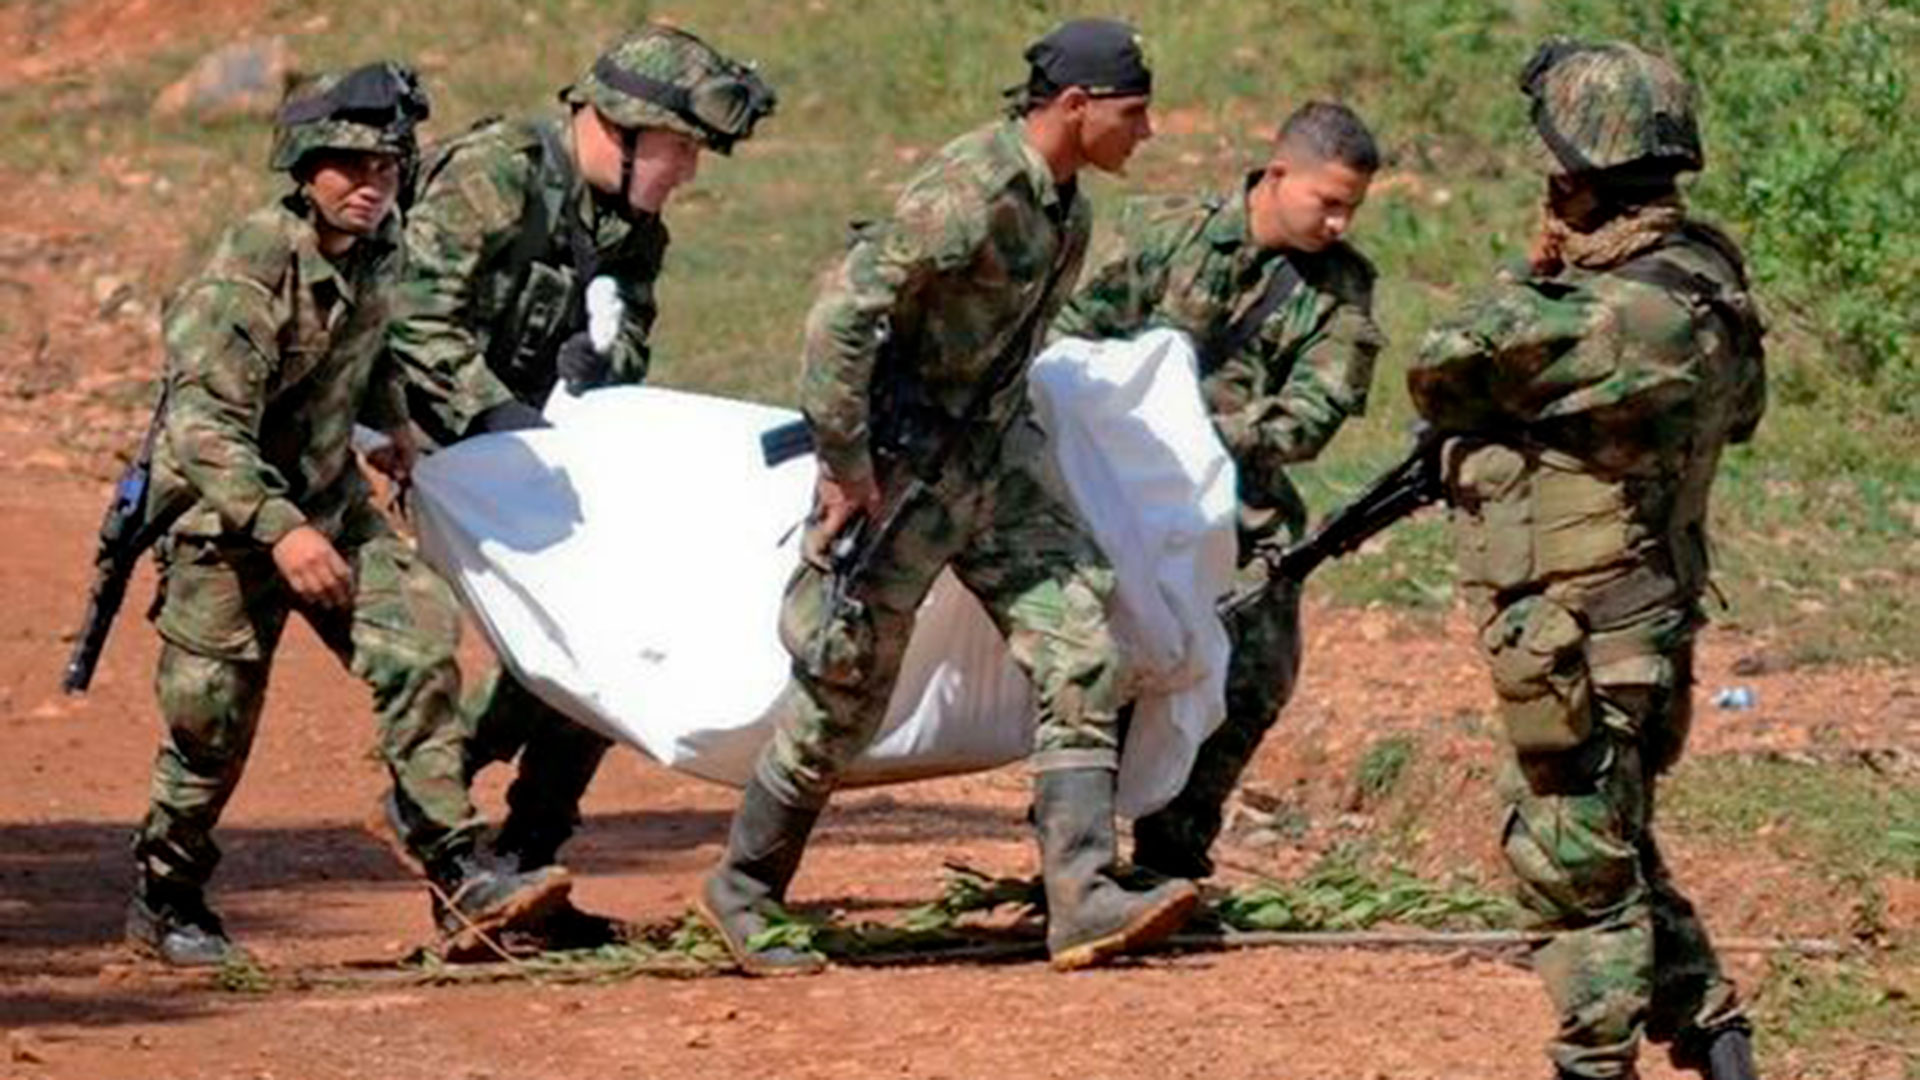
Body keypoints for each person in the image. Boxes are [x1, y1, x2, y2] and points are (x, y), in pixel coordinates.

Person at [697, 17, 1197, 976]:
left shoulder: (1067, 210)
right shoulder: (972, 192)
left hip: (995, 464)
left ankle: (1082, 896)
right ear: (1076, 106)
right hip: (902, 472)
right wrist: (846, 467)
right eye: (1134, 114)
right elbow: (843, 314)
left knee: (1081, 643)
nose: (1148, 133)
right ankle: (744, 888)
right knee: (844, 685)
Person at [126, 63, 571, 967]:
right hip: (227, 528)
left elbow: (368, 346)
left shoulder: (382, 245)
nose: (372, 187)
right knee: (210, 727)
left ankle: (459, 875)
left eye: (388, 171)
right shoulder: (247, 275)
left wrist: (392, 426)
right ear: (304, 168)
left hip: (332, 509)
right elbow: (200, 426)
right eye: (351, 169)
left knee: (418, 641)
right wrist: (280, 530)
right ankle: (165, 896)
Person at [1407, 39, 1766, 1080]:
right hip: (1656, 618)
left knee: (1570, 862)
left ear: (1574, 173)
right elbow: (1737, 418)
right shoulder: (1708, 279)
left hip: (1578, 639)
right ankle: (1712, 1028)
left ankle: (1592, 1061)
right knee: (1613, 841)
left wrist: (1546, 257)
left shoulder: (1593, 315)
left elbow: (1442, 369)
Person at [387, 25, 774, 943]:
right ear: (624, 125)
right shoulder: (498, 176)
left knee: (612, 626)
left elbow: (627, 336)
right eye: (682, 148)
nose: (687, 171)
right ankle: (432, 798)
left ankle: (525, 860)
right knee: (543, 634)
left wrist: (600, 364)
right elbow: (412, 322)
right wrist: (499, 417)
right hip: (434, 443)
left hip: (529, 453)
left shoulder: (630, 227)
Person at [1054, 100, 1385, 880]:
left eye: (1353, 209)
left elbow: (1310, 418)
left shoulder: (1340, 290)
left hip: (1241, 508)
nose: (1339, 224)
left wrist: (1190, 430)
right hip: (1111, 491)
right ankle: (1073, 858)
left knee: (1256, 671)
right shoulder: (1166, 232)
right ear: (1277, 174)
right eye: (1328, 201)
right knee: (1091, 665)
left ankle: (1172, 856)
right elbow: (1069, 340)